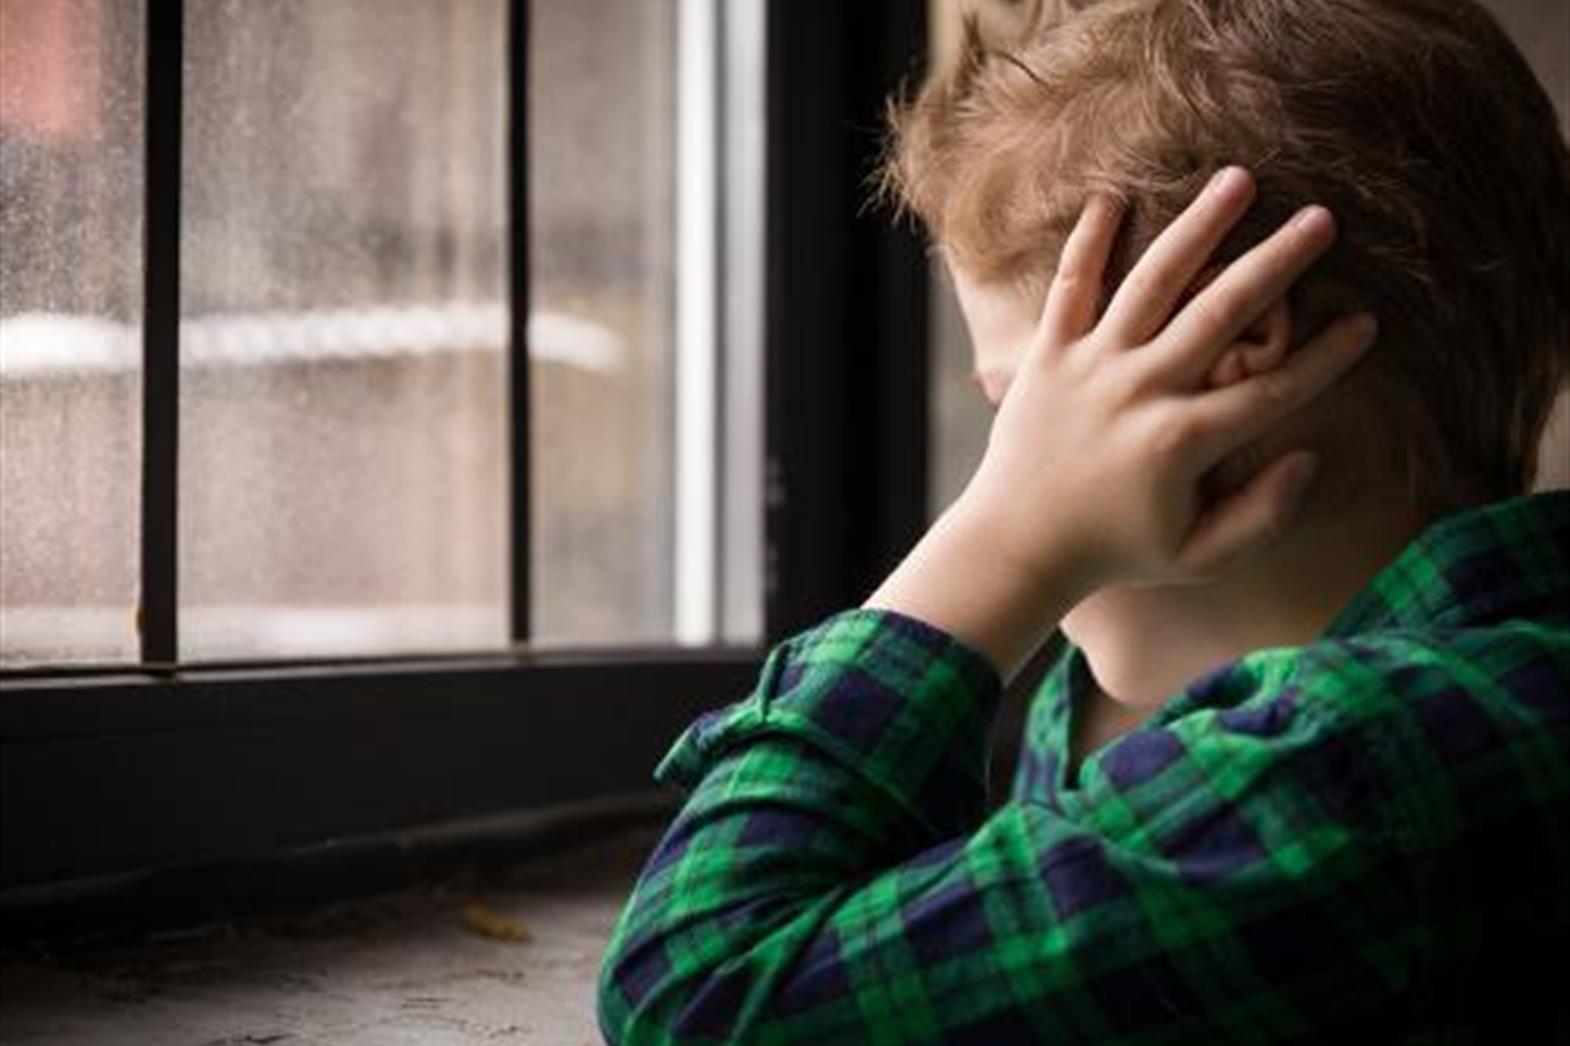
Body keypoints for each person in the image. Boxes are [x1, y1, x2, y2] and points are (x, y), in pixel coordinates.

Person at [598, 0, 1570, 1040]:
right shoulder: (1462, 693)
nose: (1012, 471)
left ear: (1222, 353)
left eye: (1023, 409)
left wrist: (1006, 543)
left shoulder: (1352, 767)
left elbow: (700, 990)